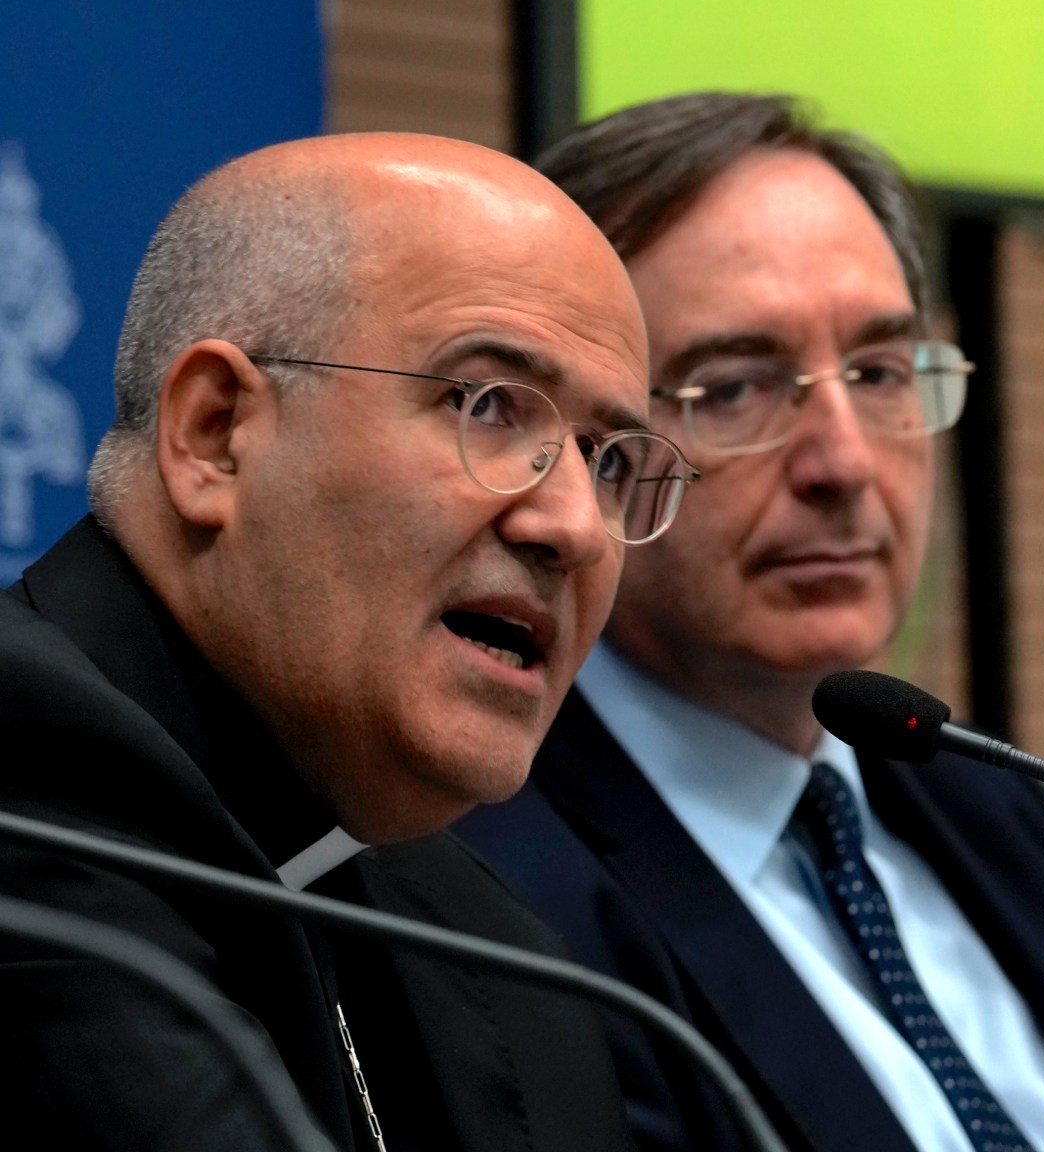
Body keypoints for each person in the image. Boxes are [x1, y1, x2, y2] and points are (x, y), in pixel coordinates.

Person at [463, 94, 1044, 1152]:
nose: (843, 463)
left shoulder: (981, 796)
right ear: (582, 443)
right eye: (740, 387)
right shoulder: (494, 890)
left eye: (883, 373)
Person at [0, 129, 696, 1152]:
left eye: (607, 461)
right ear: (215, 430)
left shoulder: (491, 944)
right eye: (488, 404)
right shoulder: (28, 781)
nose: (577, 525)